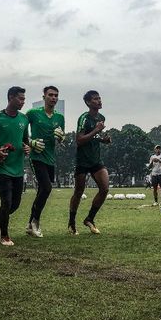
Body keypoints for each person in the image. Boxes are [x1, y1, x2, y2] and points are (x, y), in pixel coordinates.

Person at [0, 86, 32, 246]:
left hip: (18, 168)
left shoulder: (24, 119)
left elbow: (25, 141)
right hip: (2, 167)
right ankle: (5, 236)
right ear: (11, 97)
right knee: (7, 202)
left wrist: (27, 147)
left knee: (15, 204)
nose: (23, 102)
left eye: (24, 99)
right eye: (20, 98)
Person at [68, 90, 111, 235]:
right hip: (83, 160)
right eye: (95, 99)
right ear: (88, 103)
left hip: (96, 160)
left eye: (99, 98)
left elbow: (94, 137)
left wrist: (103, 140)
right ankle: (71, 222)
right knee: (79, 192)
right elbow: (79, 140)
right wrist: (96, 130)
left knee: (104, 189)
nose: (99, 101)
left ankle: (89, 219)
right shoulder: (84, 118)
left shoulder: (101, 117)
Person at [25, 86, 65, 238]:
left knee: (43, 190)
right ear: (44, 97)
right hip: (36, 157)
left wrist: (62, 137)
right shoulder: (33, 114)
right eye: (50, 95)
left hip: (50, 158)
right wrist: (30, 142)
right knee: (46, 188)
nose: (53, 98)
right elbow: (20, 128)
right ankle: (35, 222)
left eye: (56, 95)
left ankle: (30, 225)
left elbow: (61, 138)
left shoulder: (59, 117)